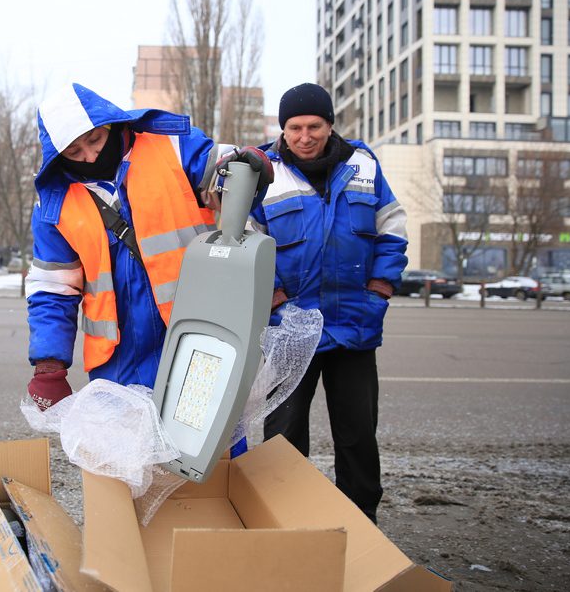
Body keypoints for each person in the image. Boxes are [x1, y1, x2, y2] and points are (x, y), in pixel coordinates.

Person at [25, 82, 273, 410]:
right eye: (74, 153)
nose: (90, 156)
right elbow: (53, 289)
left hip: (199, 328)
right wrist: (49, 364)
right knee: (125, 454)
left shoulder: (172, 145)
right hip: (119, 353)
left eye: (95, 139)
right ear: (58, 156)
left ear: (109, 124)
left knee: (212, 448)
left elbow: (222, 175)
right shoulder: (54, 204)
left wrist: (246, 170)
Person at [250, 83, 408, 523]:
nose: (304, 136)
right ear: (282, 129)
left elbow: (392, 228)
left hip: (354, 328)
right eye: (294, 127)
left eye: (314, 126)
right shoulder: (263, 170)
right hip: (289, 330)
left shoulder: (364, 164)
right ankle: (286, 518)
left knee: (357, 436)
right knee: (283, 434)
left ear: (330, 125)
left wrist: (380, 291)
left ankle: (360, 523)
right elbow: (249, 242)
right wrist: (275, 303)